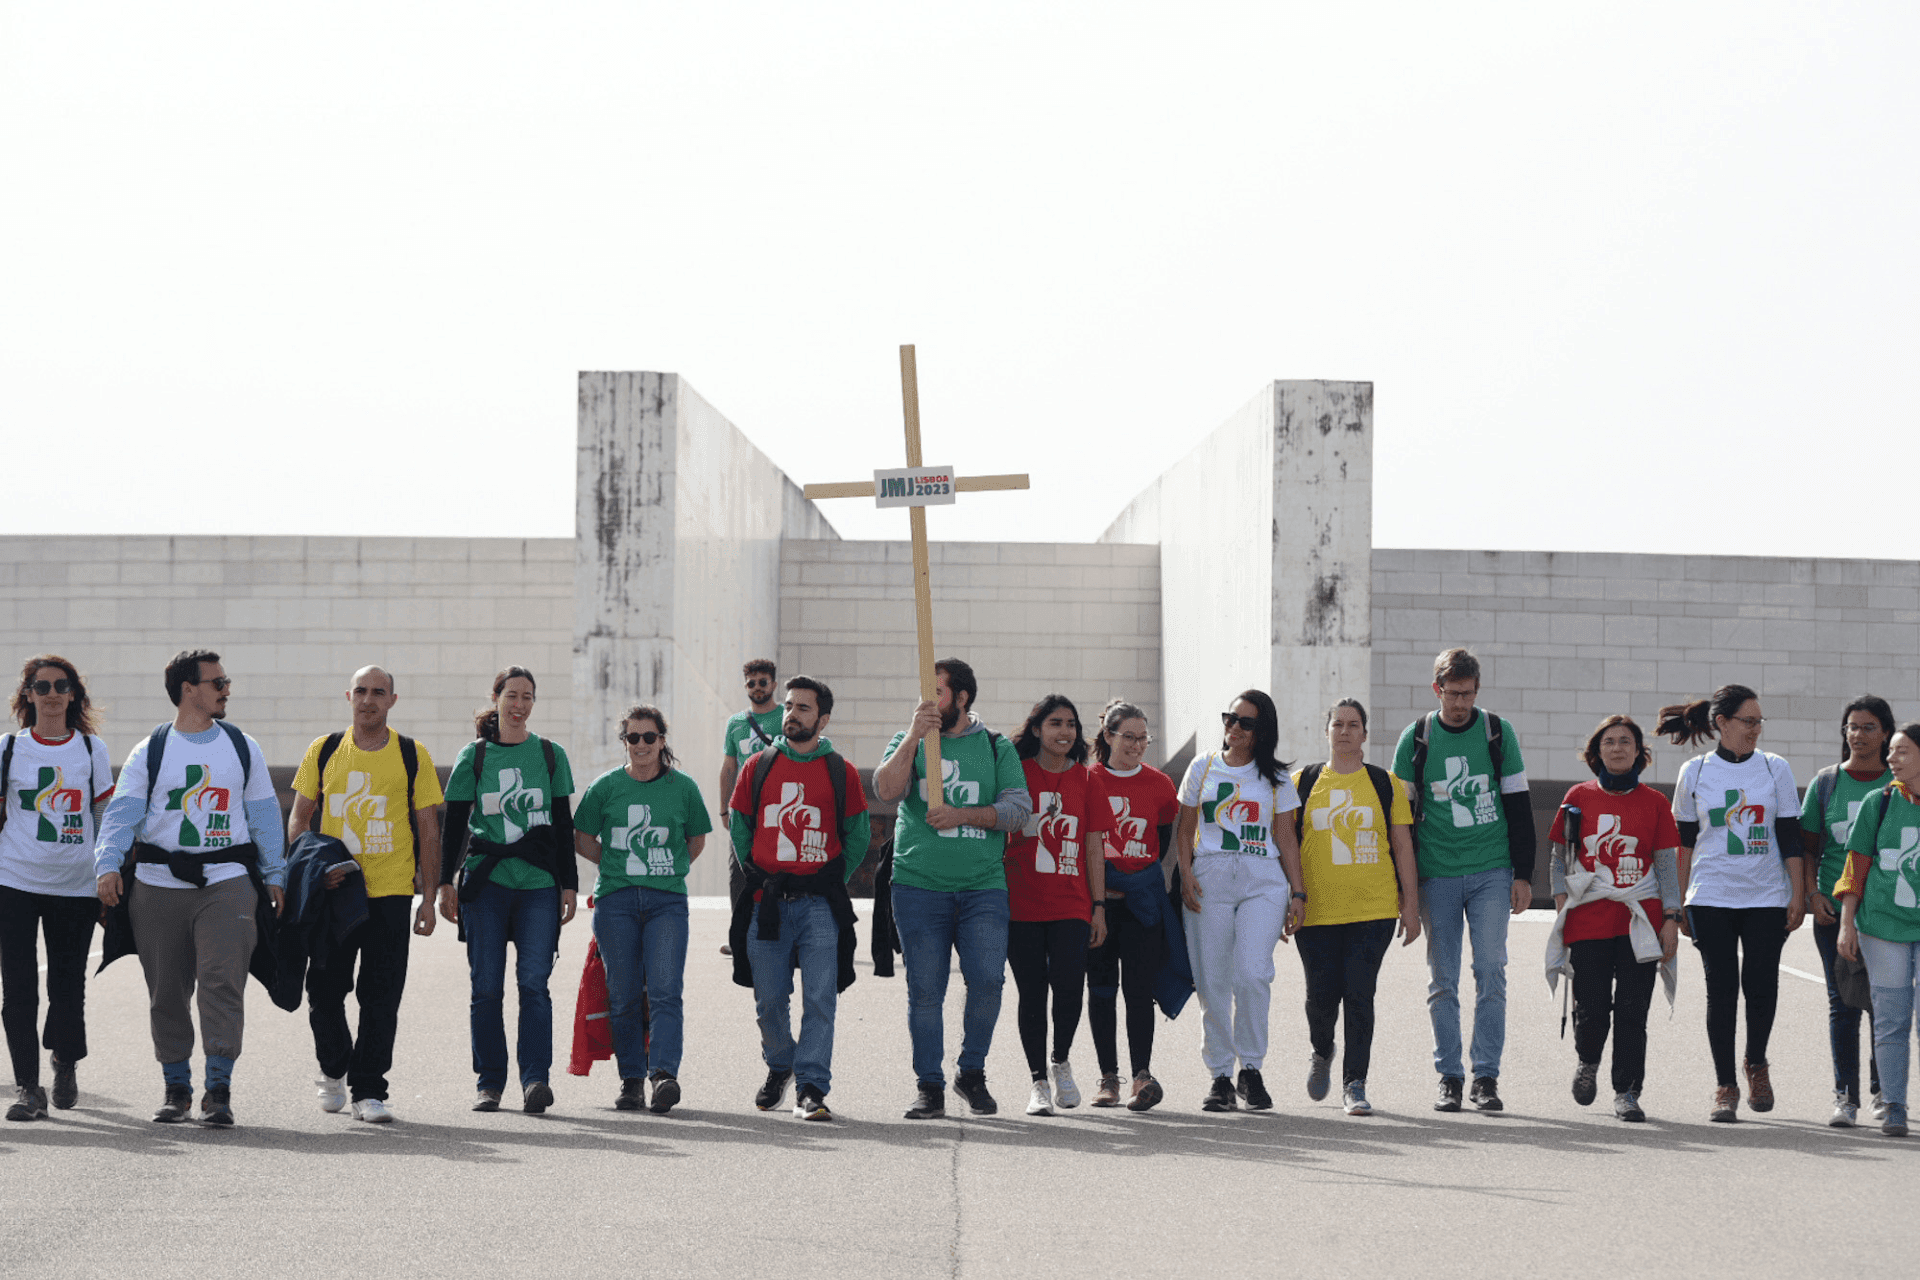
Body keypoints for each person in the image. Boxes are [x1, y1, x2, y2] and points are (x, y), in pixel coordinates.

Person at [94, 650, 286, 1126]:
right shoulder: (151, 750)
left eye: (226, 680)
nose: (226, 688)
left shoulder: (242, 746)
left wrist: (275, 873)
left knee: (222, 982)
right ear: (188, 689)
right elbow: (122, 815)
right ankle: (176, 1086)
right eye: (217, 681)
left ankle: (217, 1088)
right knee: (167, 991)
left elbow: (263, 815)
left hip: (227, 882)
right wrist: (107, 864)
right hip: (158, 886)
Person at [286, 665, 444, 1124]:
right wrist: (317, 869)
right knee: (324, 990)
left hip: (392, 893)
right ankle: (334, 1068)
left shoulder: (412, 754)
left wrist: (428, 898)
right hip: (336, 894)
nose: (368, 700)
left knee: (381, 996)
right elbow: (298, 820)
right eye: (361, 691)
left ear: (393, 700)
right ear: (348, 696)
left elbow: (429, 831)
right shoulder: (325, 750)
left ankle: (369, 1088)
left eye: (379, 692)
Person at [874, 657, 1031, 1120]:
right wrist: (912, 737)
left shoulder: (996, 746)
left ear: (961, 698)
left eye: (937, 692)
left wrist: (963, 815)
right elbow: (886, 790)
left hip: (983, 887)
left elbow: (1019, 809)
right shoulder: (910, 740)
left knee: (987, 980)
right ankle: (929, 1085)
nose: (927, 700)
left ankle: (971, 1072)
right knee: (925, 989)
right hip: (919, 886)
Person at [1391, 647, 1534, 1114]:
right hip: (1438, 874)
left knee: (1491, 970)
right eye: (1452, 694)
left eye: (1468, 694)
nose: (1460, 704)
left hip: (1492, 869)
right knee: (1443, 979)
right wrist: (1405, 893)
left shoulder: (1497, 732)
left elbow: (1517, 805)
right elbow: (1400, 823)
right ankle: (1450, 1076)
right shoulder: (1416, 738)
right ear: (1437, 690)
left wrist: (1524, 874)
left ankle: (1486, 1076)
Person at [726, 676, 870, 1122]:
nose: (791, 714)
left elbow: (859, 833)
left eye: (803, 708)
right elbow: (739, 821)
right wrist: (756, 872)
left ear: (822, 719)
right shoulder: (760, 765)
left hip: (818, 906)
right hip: (767, 902)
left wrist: (830, 880)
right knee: (769, 1000)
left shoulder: (839, 769)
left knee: (821, 999)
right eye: (789, 706)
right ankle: (779, 1065)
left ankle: (810, 1087)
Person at [1660, 683, 1806, 1123]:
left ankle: (1756, 1063)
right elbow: (1682, 842)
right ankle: (1725, 1084)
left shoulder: (1774, 768)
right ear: (1721, 724)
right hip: (1711, 898)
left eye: (1760, 721)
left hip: (1766, 897)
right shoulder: (1696, 772)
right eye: (1748, 721)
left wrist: (1797, 894)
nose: (1756, 729)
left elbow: (1790, 837)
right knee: (1720, 990)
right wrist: (1679, 901)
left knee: (1761, 986)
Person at [438, 666, 578, 1115]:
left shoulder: (551, 755)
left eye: (528, 697)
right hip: (487, 883)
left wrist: (570, 884)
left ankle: (535, 1079)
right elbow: (454, 826)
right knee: (486, 988)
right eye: (512, 695)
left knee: (535, 984)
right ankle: (490, 1082)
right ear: (496, 699)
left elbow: (562, 823)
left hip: (538, 883)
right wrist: (444, 882)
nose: (519, 705)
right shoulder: (473, 757)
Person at [1544, 715, 1681, 1122]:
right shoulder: (1578, 797)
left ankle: (1627, 1091)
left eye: (1626, 741)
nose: (1618, 747)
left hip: (1641, 918)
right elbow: (1558, 860)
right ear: (1597, 750)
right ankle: (1588, 1060)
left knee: (1633, 1008)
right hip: (1589, 917)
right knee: (1592, 1006)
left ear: (1639, 752)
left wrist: (1671, 918)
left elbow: (1666, 867)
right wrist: (1560, 907)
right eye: (1609, 741)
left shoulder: (1655, 803)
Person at [574, 704, 709, 1115]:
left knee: (667, 990)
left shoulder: (683, 788)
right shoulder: (606, 786)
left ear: (662, 741)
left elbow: (696, 839)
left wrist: (664, 870)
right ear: (625, 742)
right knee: (624, 994)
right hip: (615, 902)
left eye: (649, 737)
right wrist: (617, 865)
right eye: (633, 737)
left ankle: (663, 1075)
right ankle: (631, 1079)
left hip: (666, 901)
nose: (641, 745)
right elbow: (582, 837)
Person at [1174, 689, 1305, 1112]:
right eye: (1230, 718)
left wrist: (1297, 893)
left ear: (1261, 730)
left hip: (1262, 882)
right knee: (1212, 980)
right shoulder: (1203, 766)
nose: (1234, 727)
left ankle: (1251, 1067)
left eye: (1245, 722)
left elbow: (1286, 837)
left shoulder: (1277, 779)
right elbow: (1185, 826)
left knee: (1251, 974)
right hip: (1209, 877)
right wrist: (1186, 871)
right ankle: (1220, 1076)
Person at [1290, 699, 1419, 1117]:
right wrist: (1287, 899)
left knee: (1360, 994)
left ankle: (1355, 1083)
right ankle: (1322, 1050)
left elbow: (1402, 847)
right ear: (1326, 731)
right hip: (1316, 912)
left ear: (1365, 734)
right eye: (1338, 724)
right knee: (1320, 998)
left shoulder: (1387, 784)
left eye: (1354, 725)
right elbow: (1284, 845)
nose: (1345, 731)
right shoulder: (1301, 783)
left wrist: (1411, 906)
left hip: (1374, 908)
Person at [1, 656, 114, 1121]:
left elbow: (104, 816)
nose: (51, 693)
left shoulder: (91, 750)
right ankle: (29, 1086)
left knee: (67, 987)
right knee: (19, 988)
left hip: (76, 885)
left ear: (73, 695)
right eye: (41, 685)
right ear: (27, 694)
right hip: (15, 880)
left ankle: (64, 1058)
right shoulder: (9, 747)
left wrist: (108, 872)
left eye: (60, 685)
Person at [1004, 694, 1112, 1116]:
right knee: (1031, 993)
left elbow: (1093, 849)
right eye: (1055, 723)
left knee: (1069, 988)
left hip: (1072, 904)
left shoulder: (1088, 781)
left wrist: (1098, 907)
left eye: (1071, 724)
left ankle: (1061, 1060)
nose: (1065, 731)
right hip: (1021, 905)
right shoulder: (1015, 773)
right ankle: (1038, 1083)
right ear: (1036, 730)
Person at [1802, 694, 1895, 1127]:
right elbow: (1807, 849)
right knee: (1843, 1004)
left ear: (1886, 734)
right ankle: (1845, 1097)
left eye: (1869, 727)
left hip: (1886, 914)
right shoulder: (1826, 784)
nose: (1858, 735)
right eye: (1852, 727)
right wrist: (1811, 895)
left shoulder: (1900, 786)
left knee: (1883, 1003)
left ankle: (1884, 1092)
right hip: (1833, 912)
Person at [1086, 699, 1181, 1111]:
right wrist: (1098, 897)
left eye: (1144, 738)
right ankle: (1108, 1076)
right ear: (1108, 736)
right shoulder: (1086, 779)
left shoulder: (1160, 784)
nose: (1138, 745)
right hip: (1097, 904)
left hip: (1142, 902)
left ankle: (1141, 1075)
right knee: (1102, 990)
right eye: (1129, 737)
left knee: (1139, 992)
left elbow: (1160, 842)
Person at [1834, 721, 1920, 1138]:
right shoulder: (1879, 801)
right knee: (1890, 1020)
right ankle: (1895, 1105)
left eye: (1902, 751)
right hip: (1882, 926)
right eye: (1892, 751)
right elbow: (1856, 867)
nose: (1891, 758)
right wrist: (1846, 925)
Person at [717, 659, 783, 955]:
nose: (757, 687)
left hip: (779, 808)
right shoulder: (736, 723)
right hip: (744, 810)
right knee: (739, 873)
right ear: (746, 687)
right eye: (751, 683)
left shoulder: (786, 716)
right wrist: (723, 809)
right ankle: (741, 937)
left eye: (763, 682)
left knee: (777, 869)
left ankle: (781, 932)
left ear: (774, 684)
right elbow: (729, 767)